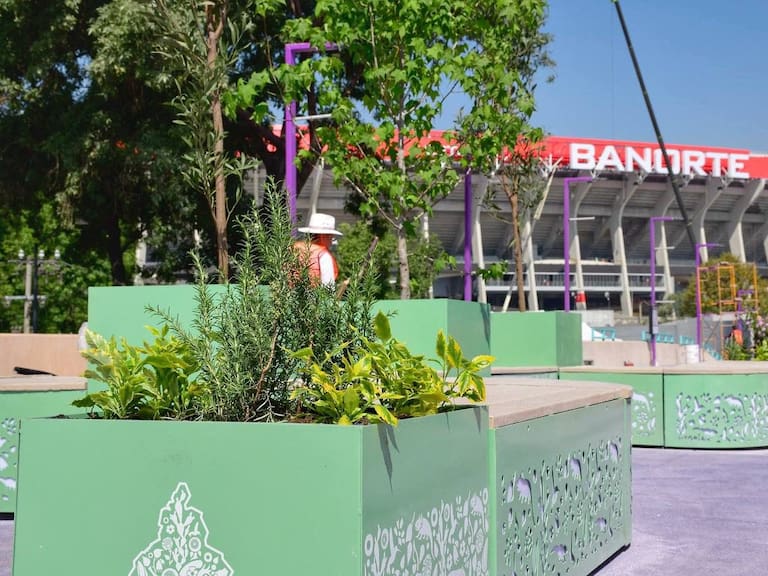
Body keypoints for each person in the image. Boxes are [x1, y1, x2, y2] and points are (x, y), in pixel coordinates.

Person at [294, 212, 342, 286]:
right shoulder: (323, 255)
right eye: (331, 237)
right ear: (323, 236)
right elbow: (328, 286)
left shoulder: (294, 248)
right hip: (312, 296)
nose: (331, 240)